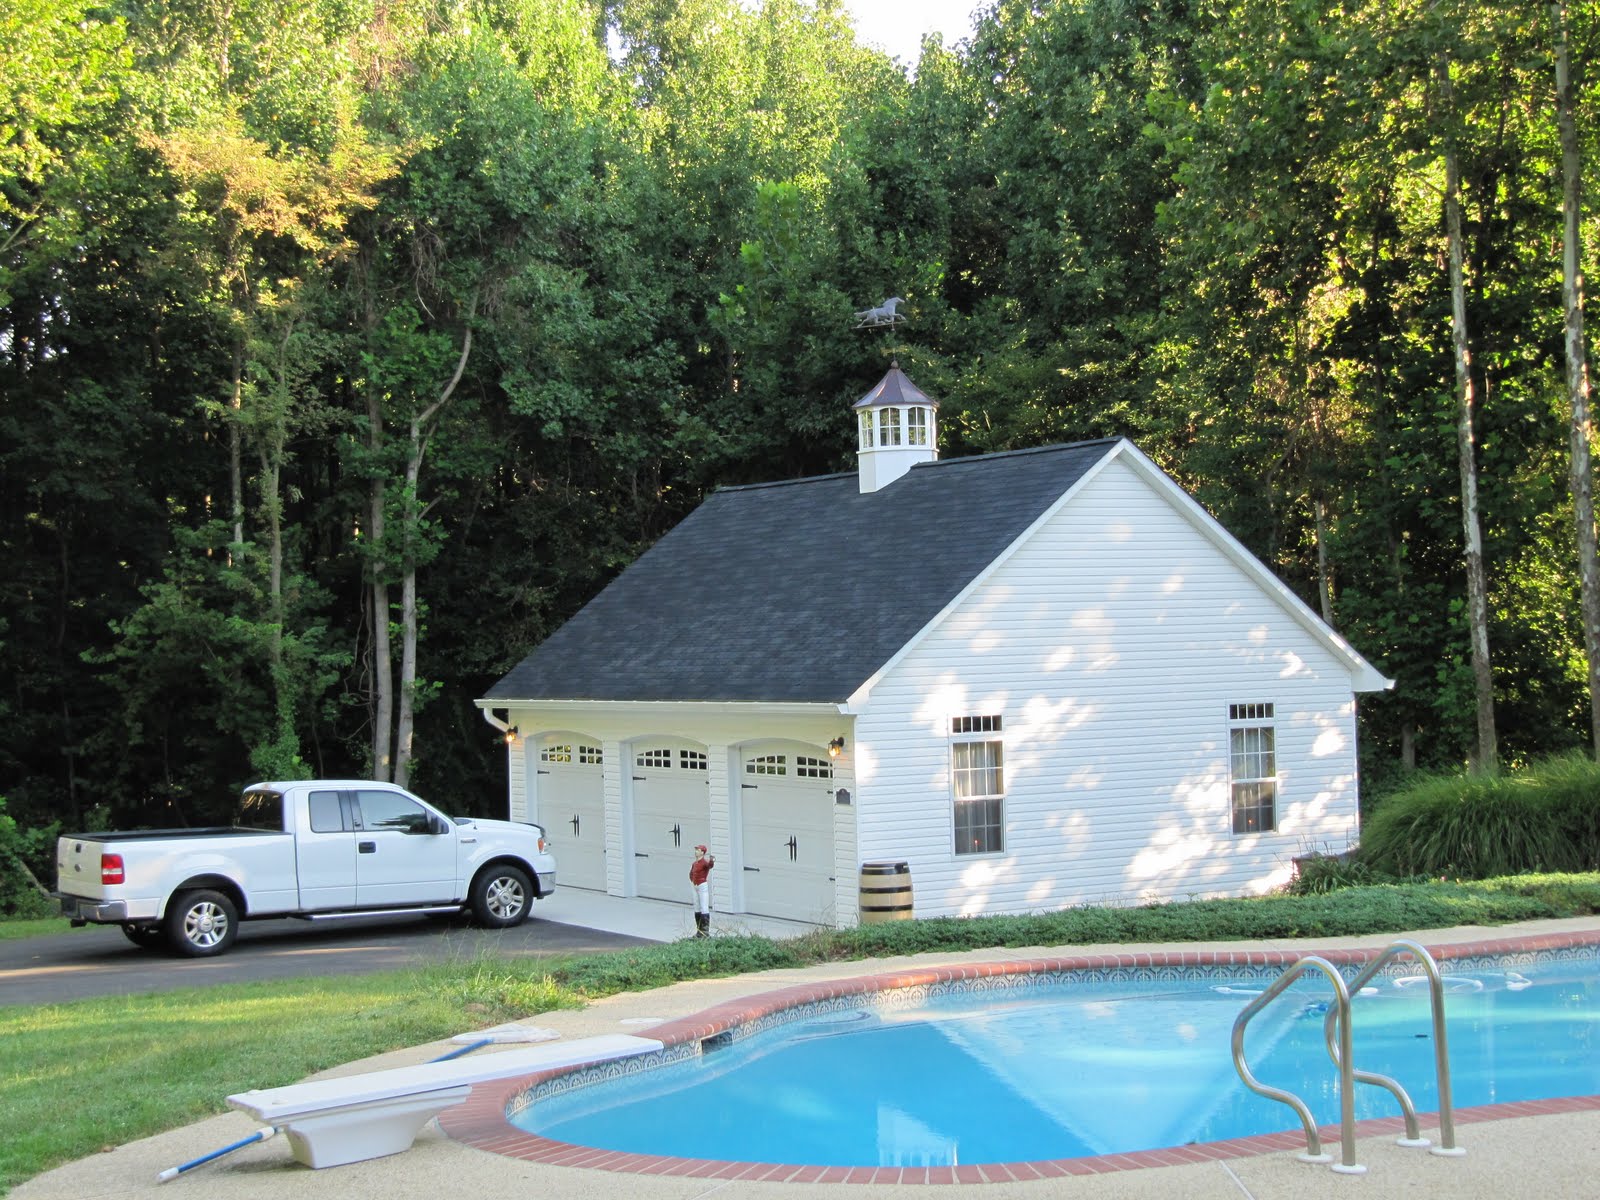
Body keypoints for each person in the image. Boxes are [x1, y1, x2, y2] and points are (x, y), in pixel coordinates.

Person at [689, 843, 715, 937]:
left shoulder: (704, 863)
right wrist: (692, 880)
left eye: (698, 850)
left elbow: (710, 866)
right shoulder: (694, 863)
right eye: (696, 850)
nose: (696, 852)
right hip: (694, 885)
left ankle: (705, 931)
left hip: (702, 885)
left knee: (704, 907)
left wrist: (712, 860)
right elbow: (691, 873)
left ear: (702, 852)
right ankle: (699, 930)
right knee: (697, 906)